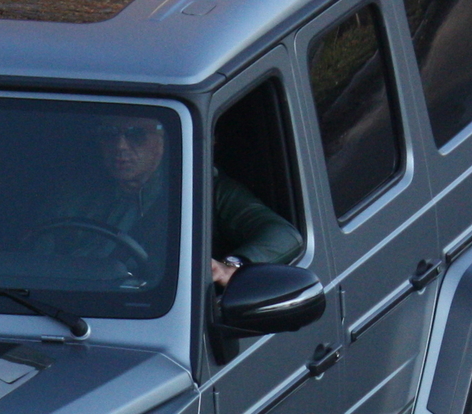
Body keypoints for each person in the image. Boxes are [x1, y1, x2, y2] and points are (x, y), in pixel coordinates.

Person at [42, 112, 304, 286]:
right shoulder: (78, 194)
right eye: (109, 134)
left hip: (151, 309)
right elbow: (38, 253)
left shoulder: (205, 189)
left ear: (162, 140)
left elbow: (284, 235)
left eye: (136, 134)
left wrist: (229, 268)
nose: (120, 146)